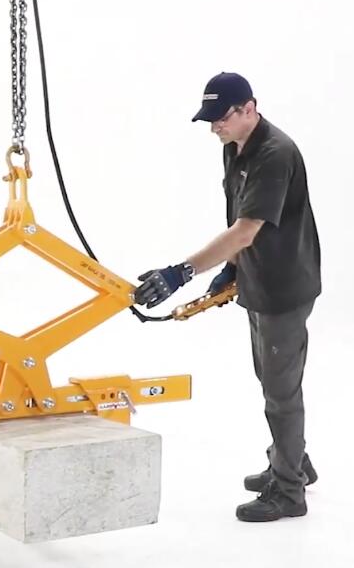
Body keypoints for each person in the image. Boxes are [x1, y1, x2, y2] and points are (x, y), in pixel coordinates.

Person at [133, 72, 322, 522]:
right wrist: (233, 268)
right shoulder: (235, 147)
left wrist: (182, 272)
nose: (214, 127)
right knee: (271, 381)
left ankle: (289, 492)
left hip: (283, 287)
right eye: (210, 120)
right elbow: (239, 217)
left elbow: (245, 230)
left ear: (249, 109)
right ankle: (293, 461)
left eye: (221, 118)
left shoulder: (275, 153)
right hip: (258, 279)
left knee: (281, 392)